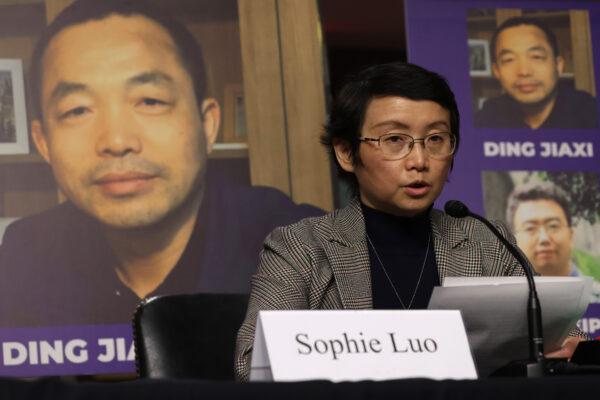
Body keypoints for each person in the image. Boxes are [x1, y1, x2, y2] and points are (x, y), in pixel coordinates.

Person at [234, 62, 586, 381]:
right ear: (345, 152)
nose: (419, 160)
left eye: (435, 140)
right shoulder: (299, 247)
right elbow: (250, 367)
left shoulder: (484, 240)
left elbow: (554, 333)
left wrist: (572, 344)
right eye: (395, 140)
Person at [0, 0, 321, 327]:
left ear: (206, 125)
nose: (116, 141)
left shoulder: (310, 254)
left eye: (150, 101)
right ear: (43, 143)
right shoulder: (25, 258)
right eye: (77, 110)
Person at [474, 17, 597, 130]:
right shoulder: (487, 117)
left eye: (536, 57)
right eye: (508, 60)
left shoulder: (591, 115)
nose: (524, 71)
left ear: (558, 66)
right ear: (496, 71)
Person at [507, 182, 600, 292]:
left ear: (571, 235)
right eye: (530, 228)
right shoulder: (500, 305)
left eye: (553, 226)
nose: (544, 238)